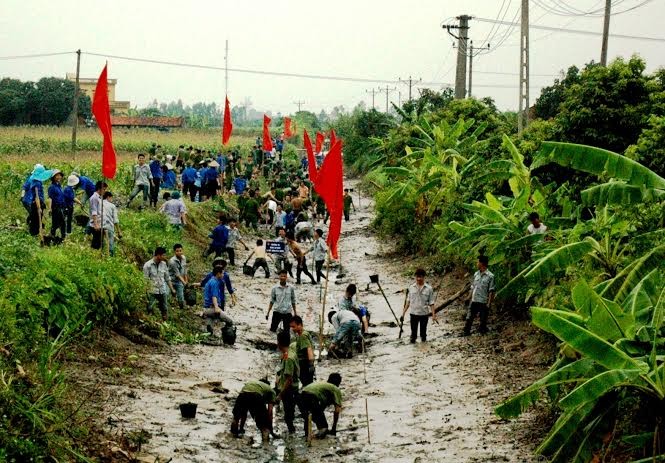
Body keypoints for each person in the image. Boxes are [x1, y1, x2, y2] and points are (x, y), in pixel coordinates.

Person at [300, 373, 342, 438]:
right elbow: (337, 411)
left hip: (302, 394)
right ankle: (315, 439)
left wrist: (319, 421)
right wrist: (334, 428)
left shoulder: (324, 387)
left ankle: (307, 435)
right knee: (324, 427)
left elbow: (320, 410)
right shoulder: (335, 389)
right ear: (338, 384)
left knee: (308, 417)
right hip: (312, 397)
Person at [400, 268, 436, 343]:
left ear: (424, 277)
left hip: (424, 314)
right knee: (413, 336)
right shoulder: (411, 287)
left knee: (423, 335)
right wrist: (403, 313)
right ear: (415, 277)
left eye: (420, 277)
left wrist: (433, 315)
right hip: (413, 314)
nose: (418, 279)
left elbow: (431, 303)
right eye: (417, 277)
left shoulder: (429, 289)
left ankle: (423, 350)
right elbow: (408, 302)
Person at [463, 255, 495, 336]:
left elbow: (491, 291)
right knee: (469, 317)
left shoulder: (490, 276)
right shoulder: (476, 274)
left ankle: (482, 332)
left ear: (482, 263)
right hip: (474, 299)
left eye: (478, 262)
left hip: (483, 301)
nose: (477, 264)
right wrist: (468, 297)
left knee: (483, 319)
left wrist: (489, 303)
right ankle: (466, 332)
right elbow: (473, 287)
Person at [275, 330, 300, 433]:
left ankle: (292, 433)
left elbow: (289, 380)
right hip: (290, 388)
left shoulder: (288, 358)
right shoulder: (289, 353)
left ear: (279, 342)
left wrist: (280, 395)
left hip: (289, 390)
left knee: (288, 416)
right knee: (289, 413)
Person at [143, 247, 175, 320]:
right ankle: (150, 320)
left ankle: (165, 322)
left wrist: (172, 289)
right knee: (150, 307)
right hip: (152, 290)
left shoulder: (164, 264)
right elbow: (145, 280)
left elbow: (167, 278)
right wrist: (145, 291)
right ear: (158, 255)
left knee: (164, 308)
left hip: (162, 289)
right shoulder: (147, 265)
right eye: (163, 255)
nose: (165, 257)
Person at [202, 266, 235, 336]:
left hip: (206, 308)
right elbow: (214, 297)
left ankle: (210, 335)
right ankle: (227, 338)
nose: (223, 275)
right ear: (218, 274)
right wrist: (216, 308)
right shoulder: (215, 283)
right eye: (222, 273)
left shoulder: (211, 280)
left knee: (209, 326)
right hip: (211, 308)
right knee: (230, 321)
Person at [289, 315, 315, 386]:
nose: (292, 329)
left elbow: (309, 349)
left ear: (300, 325)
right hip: (304, 362)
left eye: (293, 327)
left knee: (307, 383)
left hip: (304, 363)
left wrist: (311, 364)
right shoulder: (302, 334)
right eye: (291, 327)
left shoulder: (303, 336)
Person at [47, 170, 66, 242]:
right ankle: (52, 238)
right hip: (56, 208)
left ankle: (63, 238)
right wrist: (49, 209)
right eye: (57, 175)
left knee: (63, 223)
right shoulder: (52, 187)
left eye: (59, 175)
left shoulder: (59, 186)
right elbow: (50, 198)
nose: (59, 177)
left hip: (61, 207)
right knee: (55, 224)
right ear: (53, 177)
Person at [169, 244, 188, 310]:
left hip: (180, 281)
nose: (179, 252)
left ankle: (181, 310)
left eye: (180, 250)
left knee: (181, 299)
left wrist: (186, 280)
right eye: (177, 251)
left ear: (182, 251)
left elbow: (185, 269)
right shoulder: (172, 261)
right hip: (171, 280)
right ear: (174, 252)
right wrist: (184, 283)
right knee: (168, 295)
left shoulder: (184, 258)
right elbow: (177, 274)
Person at [89, 181, 107, 250]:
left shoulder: (99, 198)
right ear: (99, 189)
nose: (105, 191)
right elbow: (94, 212)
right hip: (96, 225)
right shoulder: (94, 198)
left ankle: (97, 257)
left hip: (100, 224)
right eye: (104, 189)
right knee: (96, 244)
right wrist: (96, 224)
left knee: (99, 242)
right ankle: (94, 257)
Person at [102, 191, 121, 256]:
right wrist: (119, 231)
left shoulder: (99, 203)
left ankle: (101, 256)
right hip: (109, 226)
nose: (111, 200)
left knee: (101, 243)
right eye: (111, 198)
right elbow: (115, 220)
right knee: (110, 243)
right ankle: (111, 257)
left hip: (99, 226)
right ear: (108, 197)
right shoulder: (112, 206)